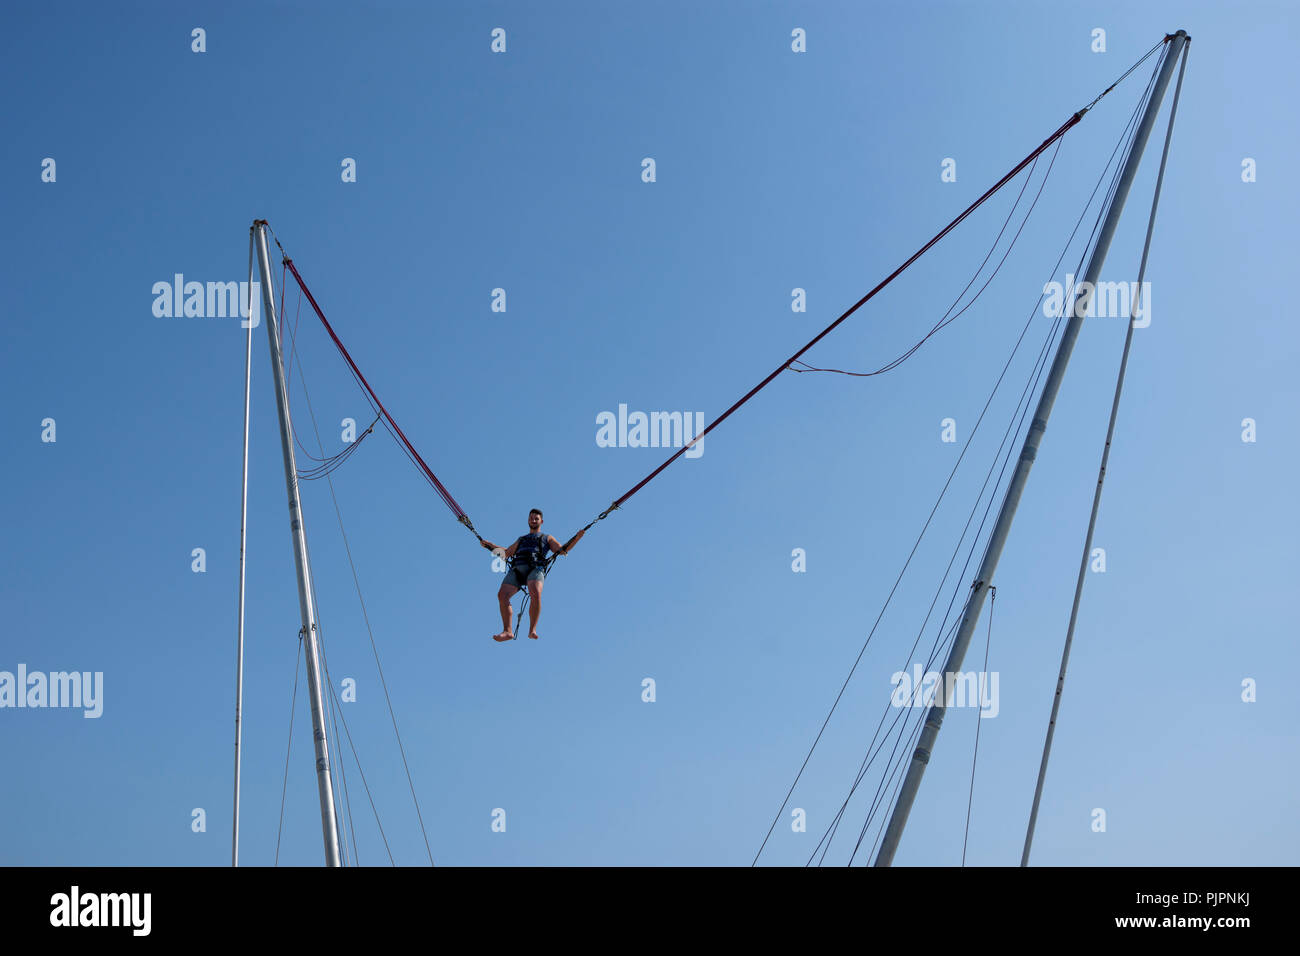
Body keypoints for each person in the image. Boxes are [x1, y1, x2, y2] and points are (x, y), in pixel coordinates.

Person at [480, 509, 581, 642]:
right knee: (502, 595)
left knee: (535, 591)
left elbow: (561, 550)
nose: (533, 520)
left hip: (535, 569)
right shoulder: (521, 539)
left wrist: (577, 538)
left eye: (536, 518)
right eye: (531, 518)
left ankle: (532, 629)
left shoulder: (547, 537)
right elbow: (507, 553)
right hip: (517, 570)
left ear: (541, 521)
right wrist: (490, 546)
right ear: (528, 520)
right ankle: (507, 631)